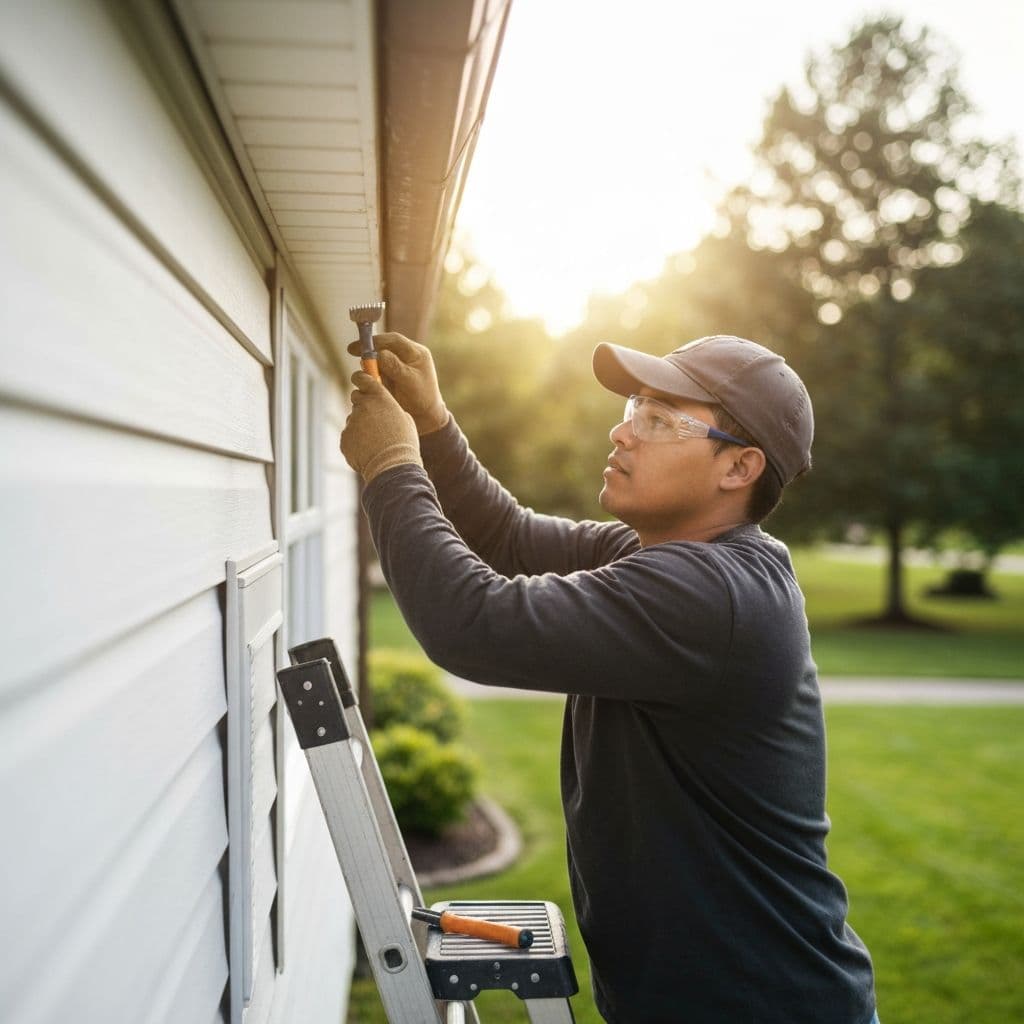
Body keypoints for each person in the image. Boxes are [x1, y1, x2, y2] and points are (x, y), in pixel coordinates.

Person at [340, 332, 878, 1024]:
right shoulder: (664, 556)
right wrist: (434, 426)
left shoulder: (710, 595)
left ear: (739, 467)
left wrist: (391, 463)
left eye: (659, 420)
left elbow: (468, 622)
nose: (623, 432)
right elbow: (505, 539)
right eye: (633, 408)